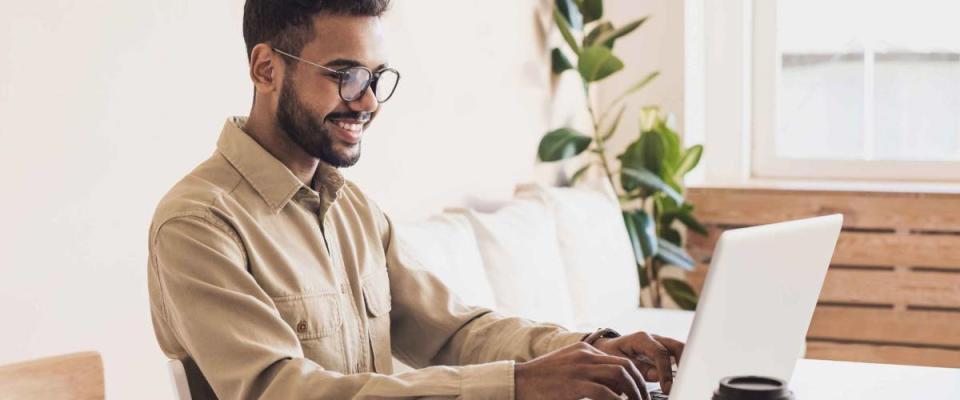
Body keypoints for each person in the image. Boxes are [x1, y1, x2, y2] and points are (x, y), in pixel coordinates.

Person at [146, 1, 683, 399]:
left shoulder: (353, 209)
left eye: (377, 77)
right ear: (267, 69)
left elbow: (455, 330)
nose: (369, 102)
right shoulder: (198, 223)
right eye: (347, 76)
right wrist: (518, 385)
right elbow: (281, 390)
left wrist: (588, 350)